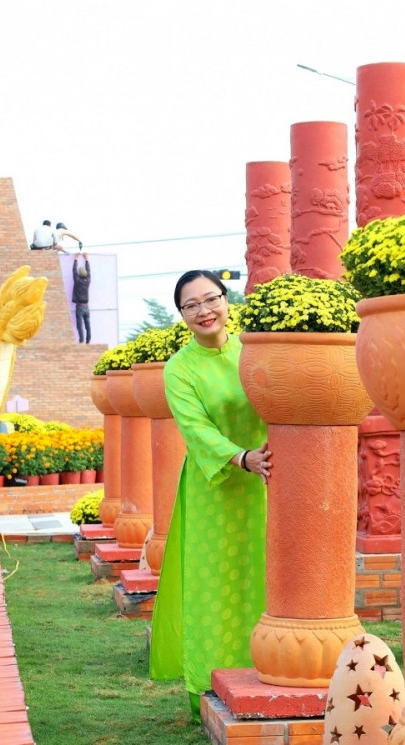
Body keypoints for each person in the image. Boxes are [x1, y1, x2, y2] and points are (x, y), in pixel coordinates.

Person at [149, 269, 272, 722]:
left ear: (226, 299)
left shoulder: (254, 351)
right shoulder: (180, 368)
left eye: (210, 299)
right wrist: (241, 459)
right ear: (181, 314)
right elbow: (195, 429)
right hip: (215, 486)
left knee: (261, 573)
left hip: (268, 480)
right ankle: (209, 679)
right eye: (191, 305)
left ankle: (268, 665)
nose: (204, 311)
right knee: (215, 582)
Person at [72, 252, 92, 343]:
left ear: (79, 275)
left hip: (79, 307)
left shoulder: (77, 281)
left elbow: (74, 271)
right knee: (87, 324)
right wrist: (86, 259)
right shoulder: (88, 281)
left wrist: (75, 259)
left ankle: (81, 340)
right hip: (86, 307)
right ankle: (88, 341)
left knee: (79, 325)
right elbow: (89, 271)